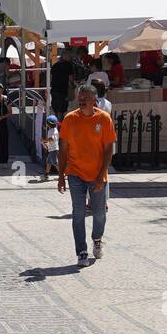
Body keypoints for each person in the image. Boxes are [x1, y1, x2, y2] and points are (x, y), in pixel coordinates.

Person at [57, 84, 116, 266]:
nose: (81, 100)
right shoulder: (69, 119)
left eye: (85, 98)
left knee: (99, 213)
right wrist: (60, 175)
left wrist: (101, 174)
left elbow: (108, 150)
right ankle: (81, 251)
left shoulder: (104, 119)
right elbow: (63, 149)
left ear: (94, 100)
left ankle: (97, 239)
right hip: (75, 173)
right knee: (78, 212)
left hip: (98, 174)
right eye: (79, 97)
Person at [50, 50, 75, 119]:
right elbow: (71, 78)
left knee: (55, 108)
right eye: (69, 56)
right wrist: (73, 86)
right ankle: (60, 126)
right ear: (66, 56)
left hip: (54, 89)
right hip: (62, 90)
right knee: (61, 110)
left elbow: (51, 78)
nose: (70, 57)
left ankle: (54, 124)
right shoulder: (68, 65)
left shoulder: (55, 65)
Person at [41, 114, 59, 182]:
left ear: (49, 124)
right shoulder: (54, 129)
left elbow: (51, 139)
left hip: (53, 149)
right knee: (48, 162)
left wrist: (44, 140)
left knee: (55, 162)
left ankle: (62, 174)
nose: (46, 124)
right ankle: (46, 174)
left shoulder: (51, 131)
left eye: (47, 123)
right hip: (52, 148)